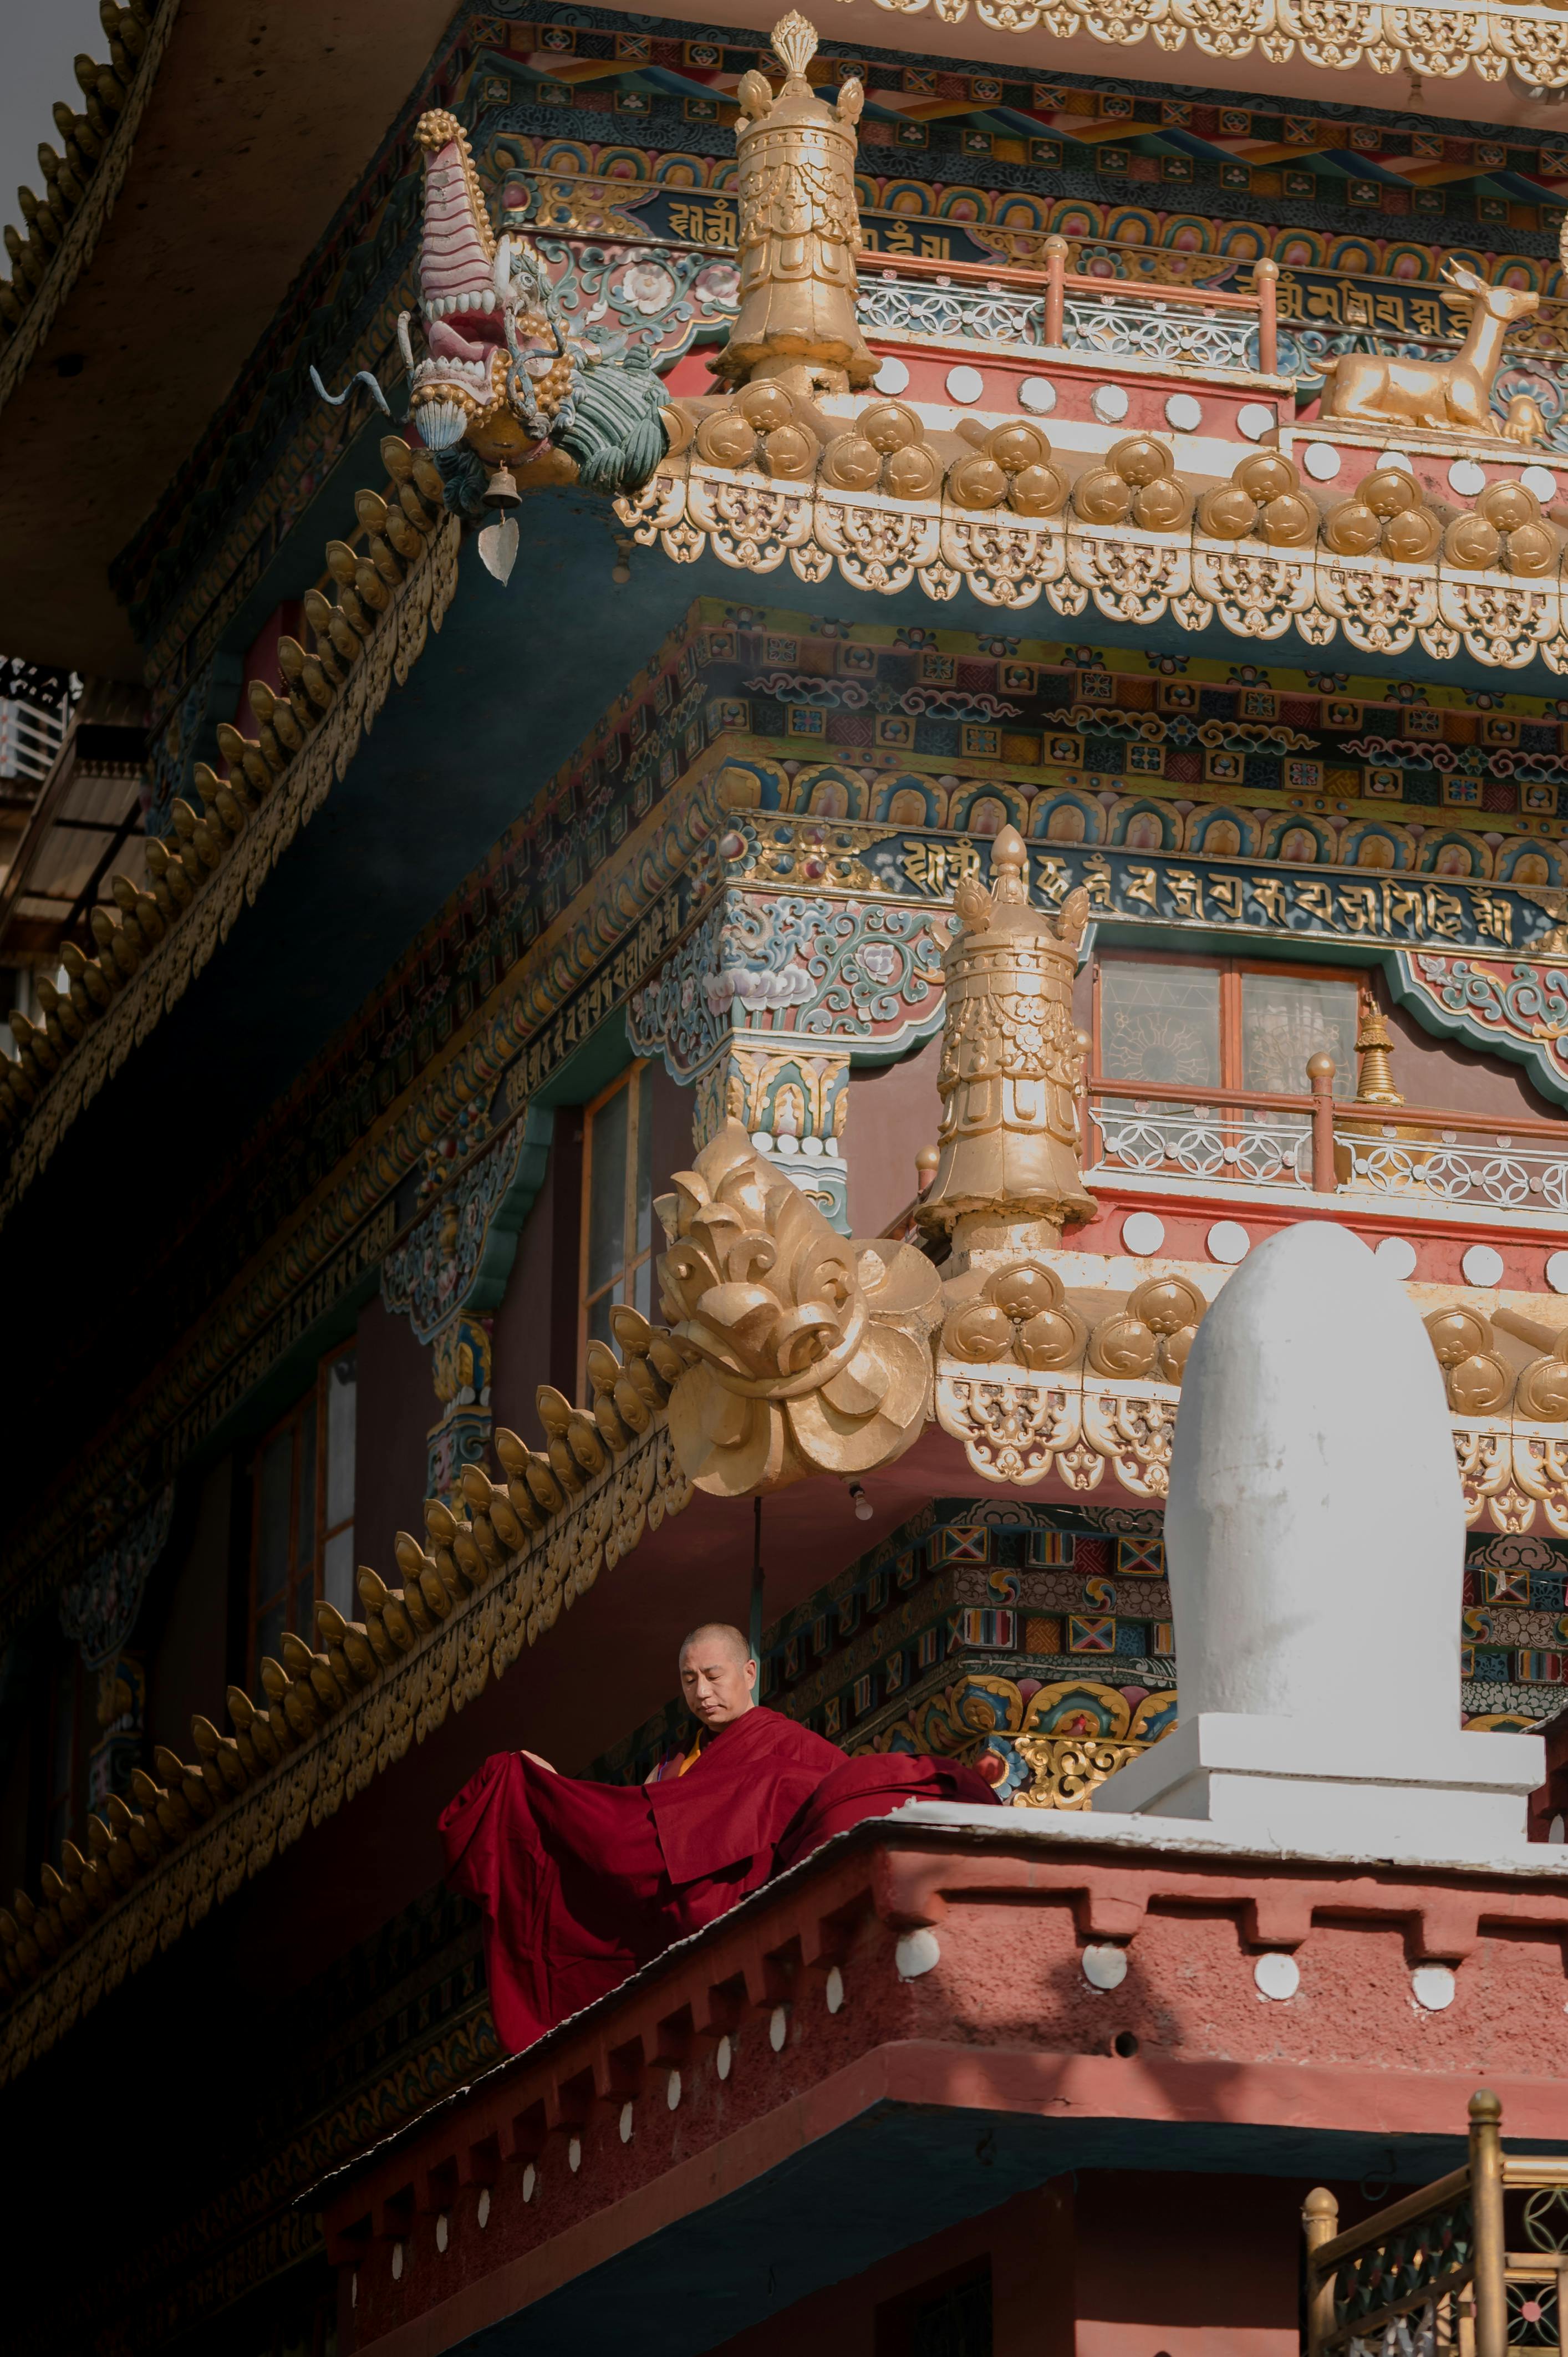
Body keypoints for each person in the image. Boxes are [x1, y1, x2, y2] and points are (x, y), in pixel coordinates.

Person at [441, 1621, 997, 2051]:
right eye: (689, 1681)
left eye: (713, 1676)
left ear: (749, 1674)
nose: (701, 1693)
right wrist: (554, 1798)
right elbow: (635, 1848)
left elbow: (825, 1822)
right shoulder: (671, 1770)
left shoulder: (792, 1748)